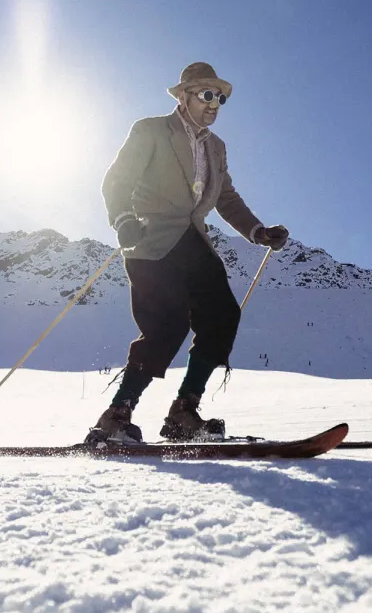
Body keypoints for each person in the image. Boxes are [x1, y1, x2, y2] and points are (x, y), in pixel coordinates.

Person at [94, 61, 289, 444]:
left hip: (192, 242)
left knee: (222, 316)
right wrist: (122, 218)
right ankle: (116, 415)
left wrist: (258, 231)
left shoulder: (216, 147)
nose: (214, 103)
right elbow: (117, 179)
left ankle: (184, 411)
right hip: (150, 239)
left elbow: (227, 198)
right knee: (166, 325)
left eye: (220, 97)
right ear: (183, 96)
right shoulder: (151, 130)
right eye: (206, 94)